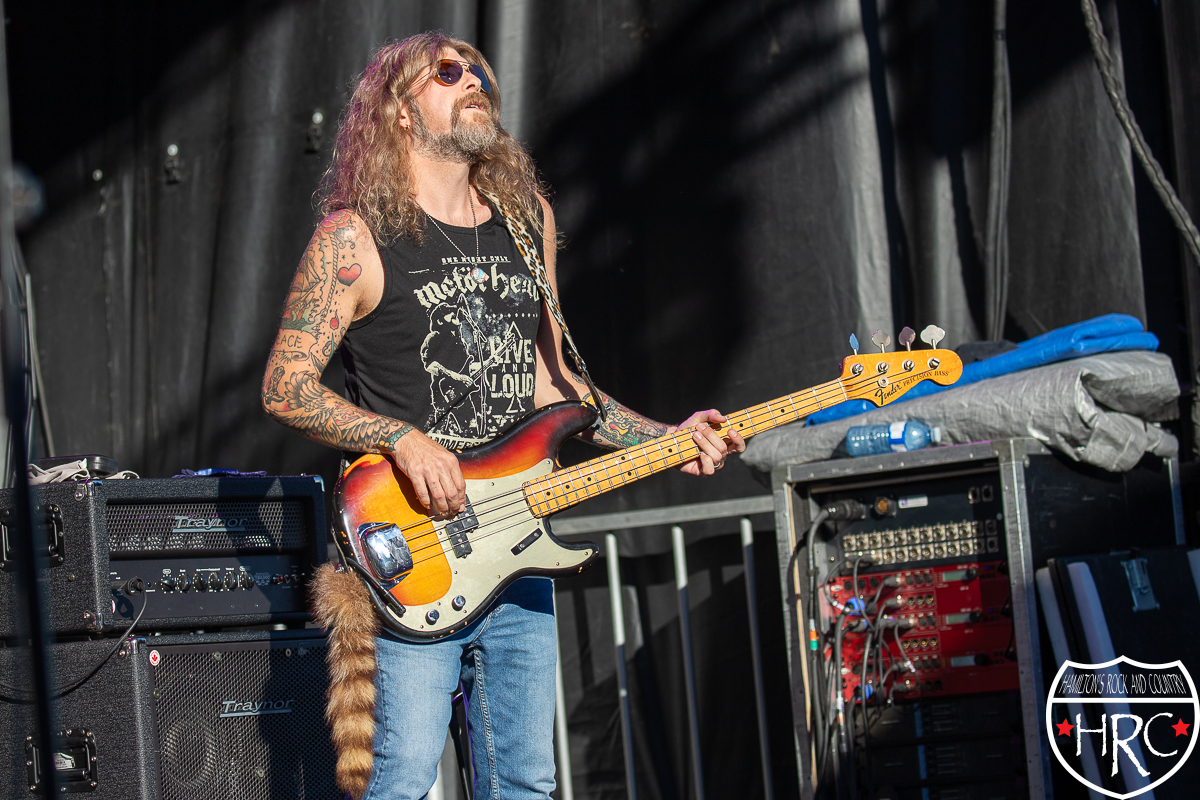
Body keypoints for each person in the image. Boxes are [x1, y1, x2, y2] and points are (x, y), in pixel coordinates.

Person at [262, 32, 745, 800]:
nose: (473, 80)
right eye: (447, 72)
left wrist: (668, 440)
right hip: (411, 546)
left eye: (479, 71)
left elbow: (558, 388)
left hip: (516, 545)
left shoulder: (527, 222)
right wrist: (401, 439)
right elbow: (285, 386)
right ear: (398, 110)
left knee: (526, 781)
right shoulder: (352, 240)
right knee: (401, 781)